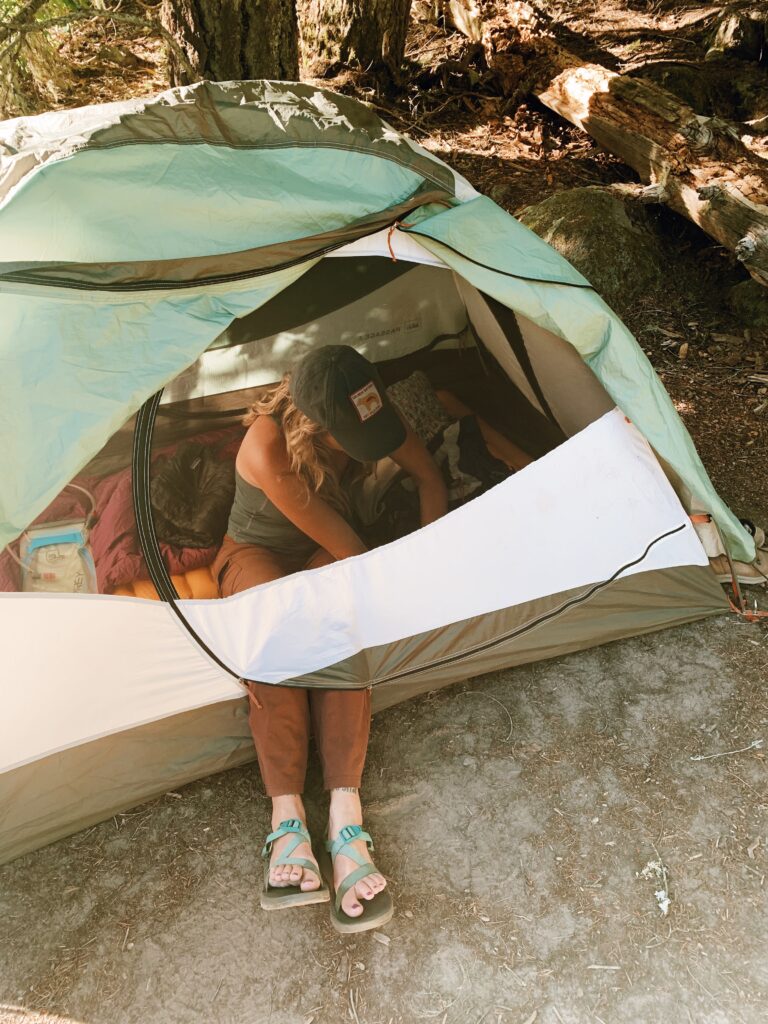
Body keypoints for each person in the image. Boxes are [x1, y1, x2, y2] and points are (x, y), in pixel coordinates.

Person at [211, 345, 448, 932]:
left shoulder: (369, 409)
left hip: (327, 551)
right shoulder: (267, 445)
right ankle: (286, 816)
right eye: (353, 442)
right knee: (279, 627)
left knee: (336, 617)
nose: (371, 449)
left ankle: (346, 815)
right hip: (256, 552)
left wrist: (435, 556)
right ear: (316, 426)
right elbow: (350, 550)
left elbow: (428, 478)